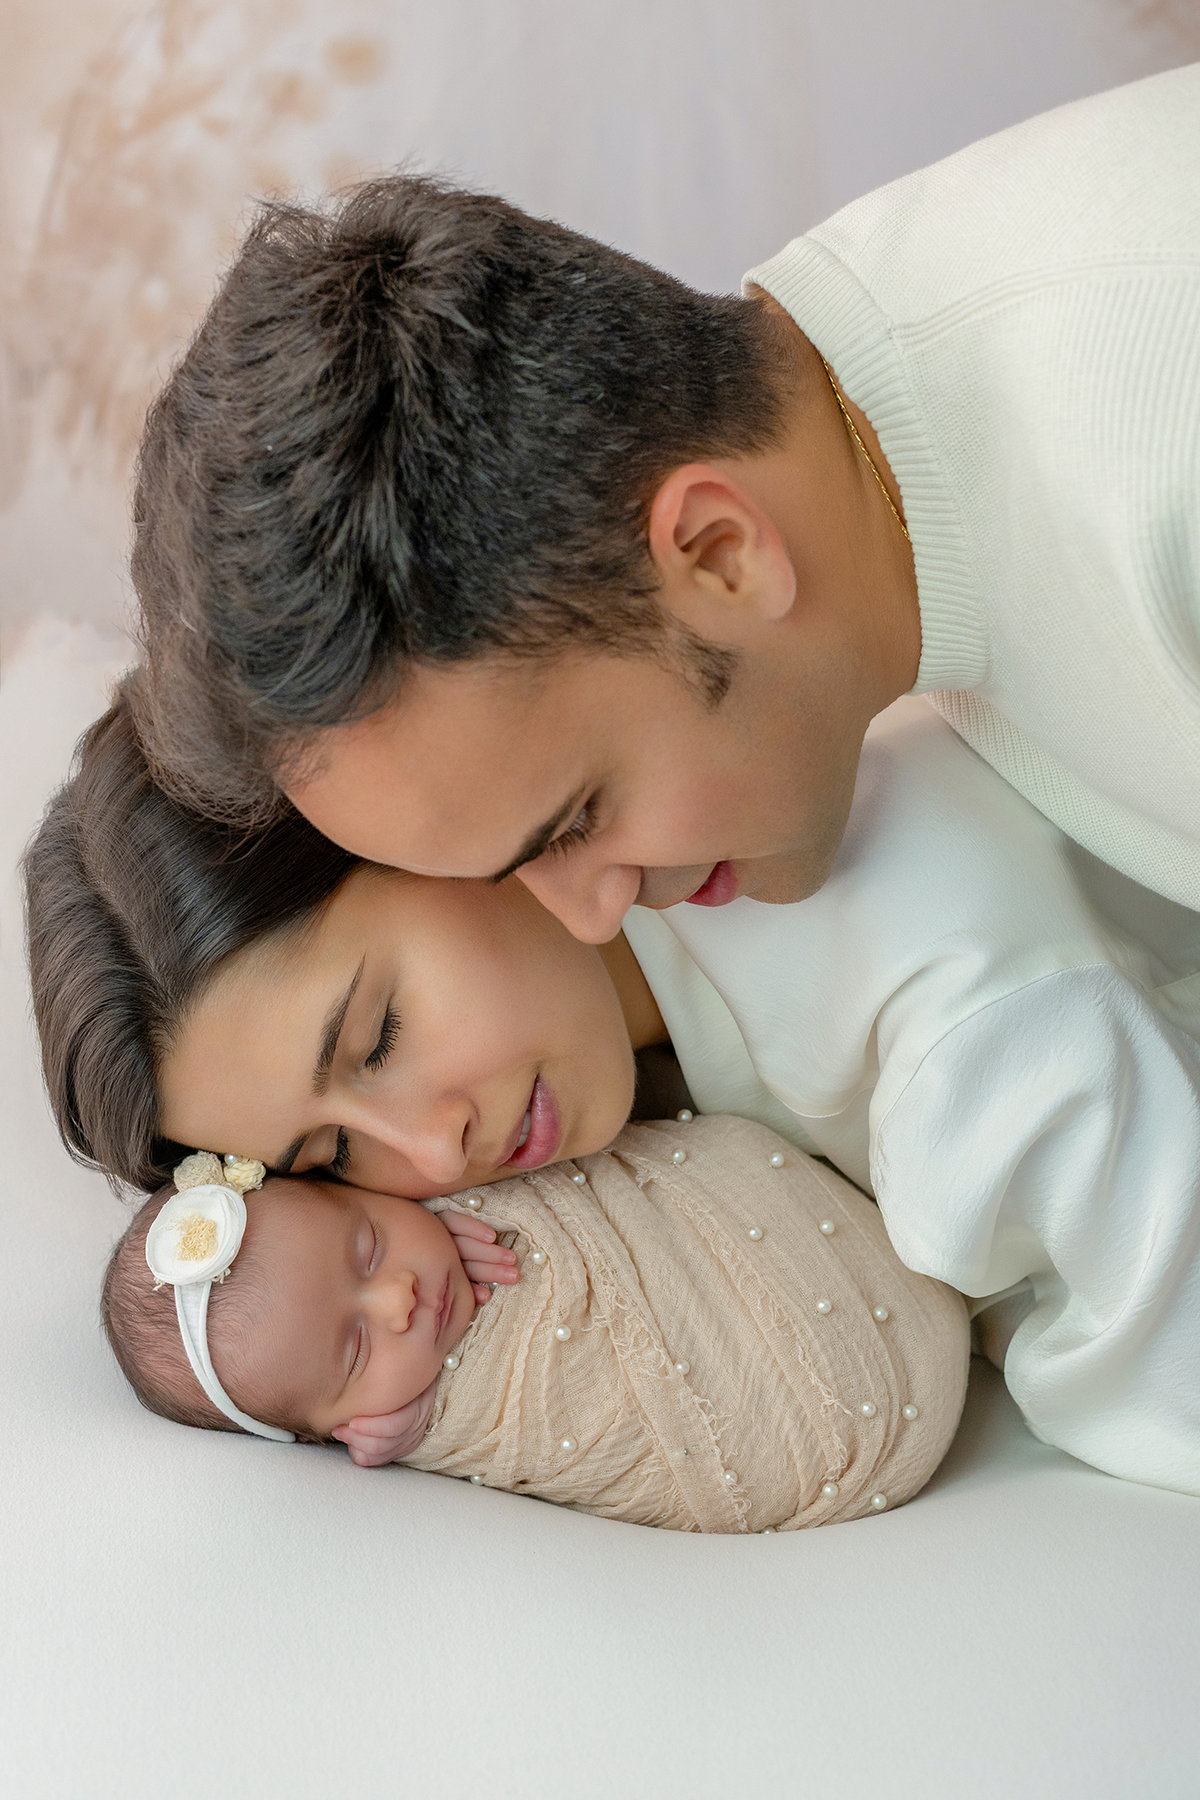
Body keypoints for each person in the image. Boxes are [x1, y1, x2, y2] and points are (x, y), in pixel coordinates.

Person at [23, 686, 1200, 1492]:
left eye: (378, 1036)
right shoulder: (641, 1055)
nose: (431, 1160)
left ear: (426, 820)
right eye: (330, 1160)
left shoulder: (951, 1018)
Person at [125, 66, 1200, 946]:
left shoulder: (1152, 444)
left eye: (575, 821)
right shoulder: (869, 427)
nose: (593, 920)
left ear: (720, 553)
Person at [102, 1116, 971, 1532]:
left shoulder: (444, 1206)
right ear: (333, 1433)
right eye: (357, 1347)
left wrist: (472, 1206)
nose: (400, 1298)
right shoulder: (396, 1428)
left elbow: (572, 1176)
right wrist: (414, 1429)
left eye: (368, 1250)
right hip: (818, 1430)